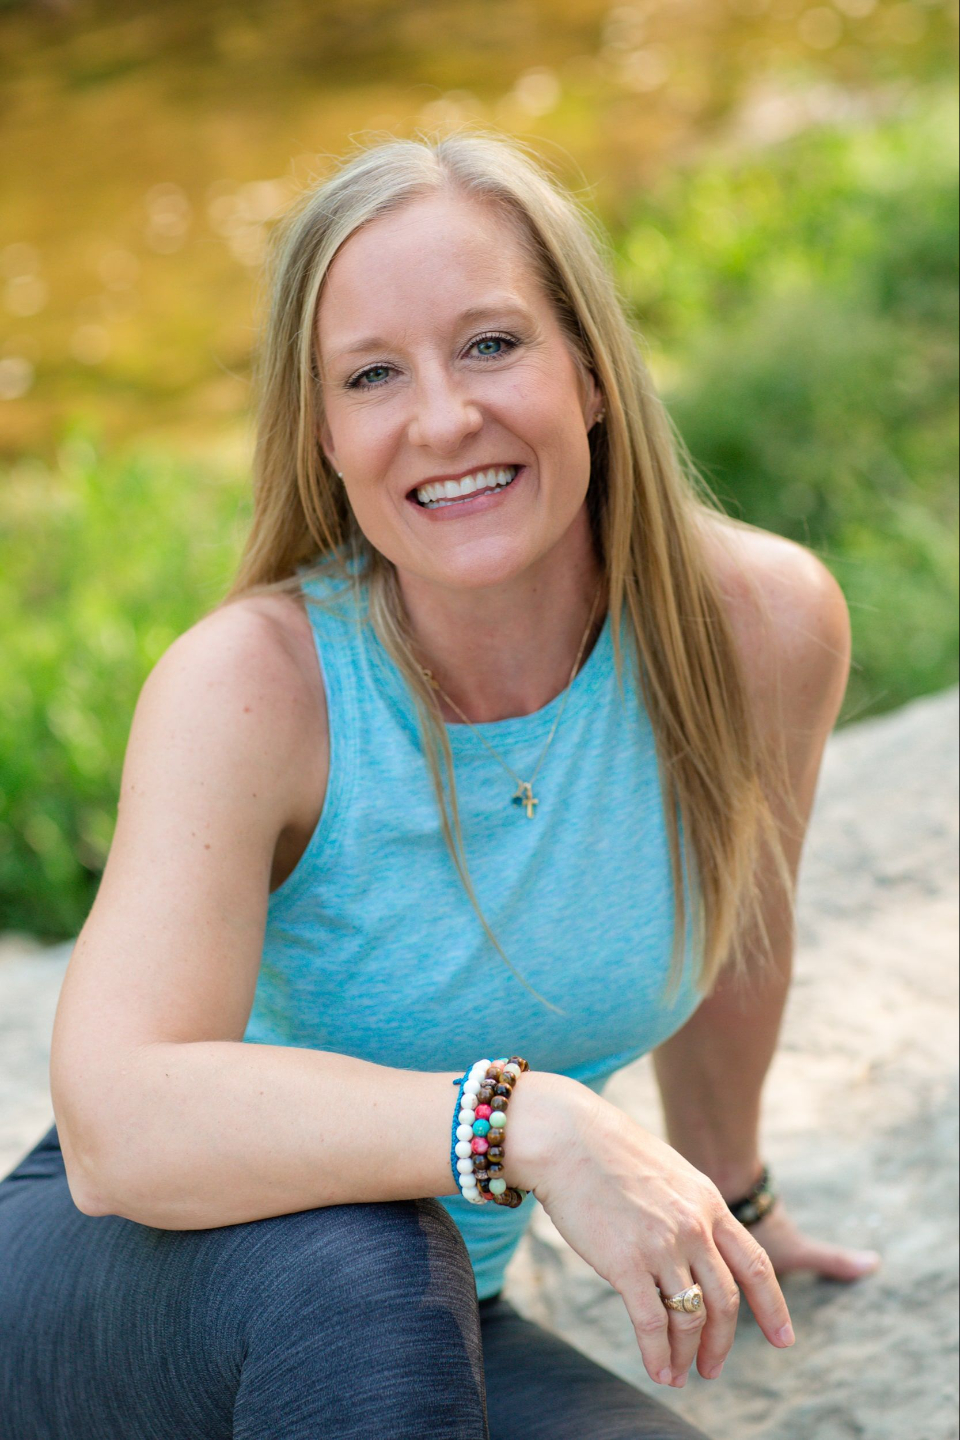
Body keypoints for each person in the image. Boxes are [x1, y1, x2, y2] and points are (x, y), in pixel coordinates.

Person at [0, 130, 880, 1439]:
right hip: (139, 1298)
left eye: (490, 344)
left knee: (414, 1292)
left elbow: (740, 940)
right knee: (362, 1259)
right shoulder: (255, 688)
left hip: (431, 1330)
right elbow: (122, 1124)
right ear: (326, 439)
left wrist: (728, 1204)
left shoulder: (756, 627)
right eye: (372, 375)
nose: (443, 418)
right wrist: (527, 1122)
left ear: (588, 368)